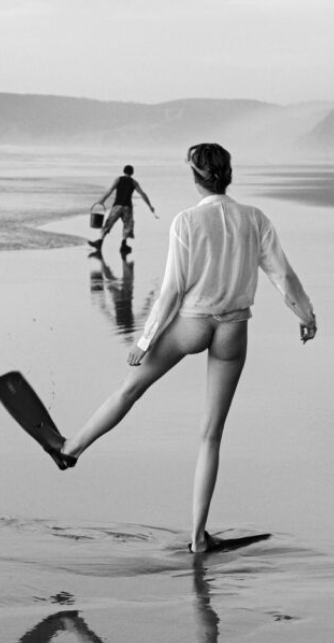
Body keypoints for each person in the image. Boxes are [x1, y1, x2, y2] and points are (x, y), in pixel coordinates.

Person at [58, 142, 317, 553]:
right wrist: (306, 314)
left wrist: (145, 340)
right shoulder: (255, 218)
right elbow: (281, 274)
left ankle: (71, 450)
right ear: (227, 175)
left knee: (130, 389)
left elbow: (173, 289)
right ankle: (198, 538)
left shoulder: (187, 221)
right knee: (211, 436)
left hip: (192, 324)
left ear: (196, 177)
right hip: (233, 328)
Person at [90, 164, 156, 254]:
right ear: (132, 173)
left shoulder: (118, 179)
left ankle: (100, 242)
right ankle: (124, 245)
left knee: (109, 223)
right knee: (128, 225)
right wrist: (150, 206)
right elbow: (142, 194)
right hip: (127, 207)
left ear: (123, 171)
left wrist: (101, 201)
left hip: (117, 206)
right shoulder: (134, 182)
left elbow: (110, 190)